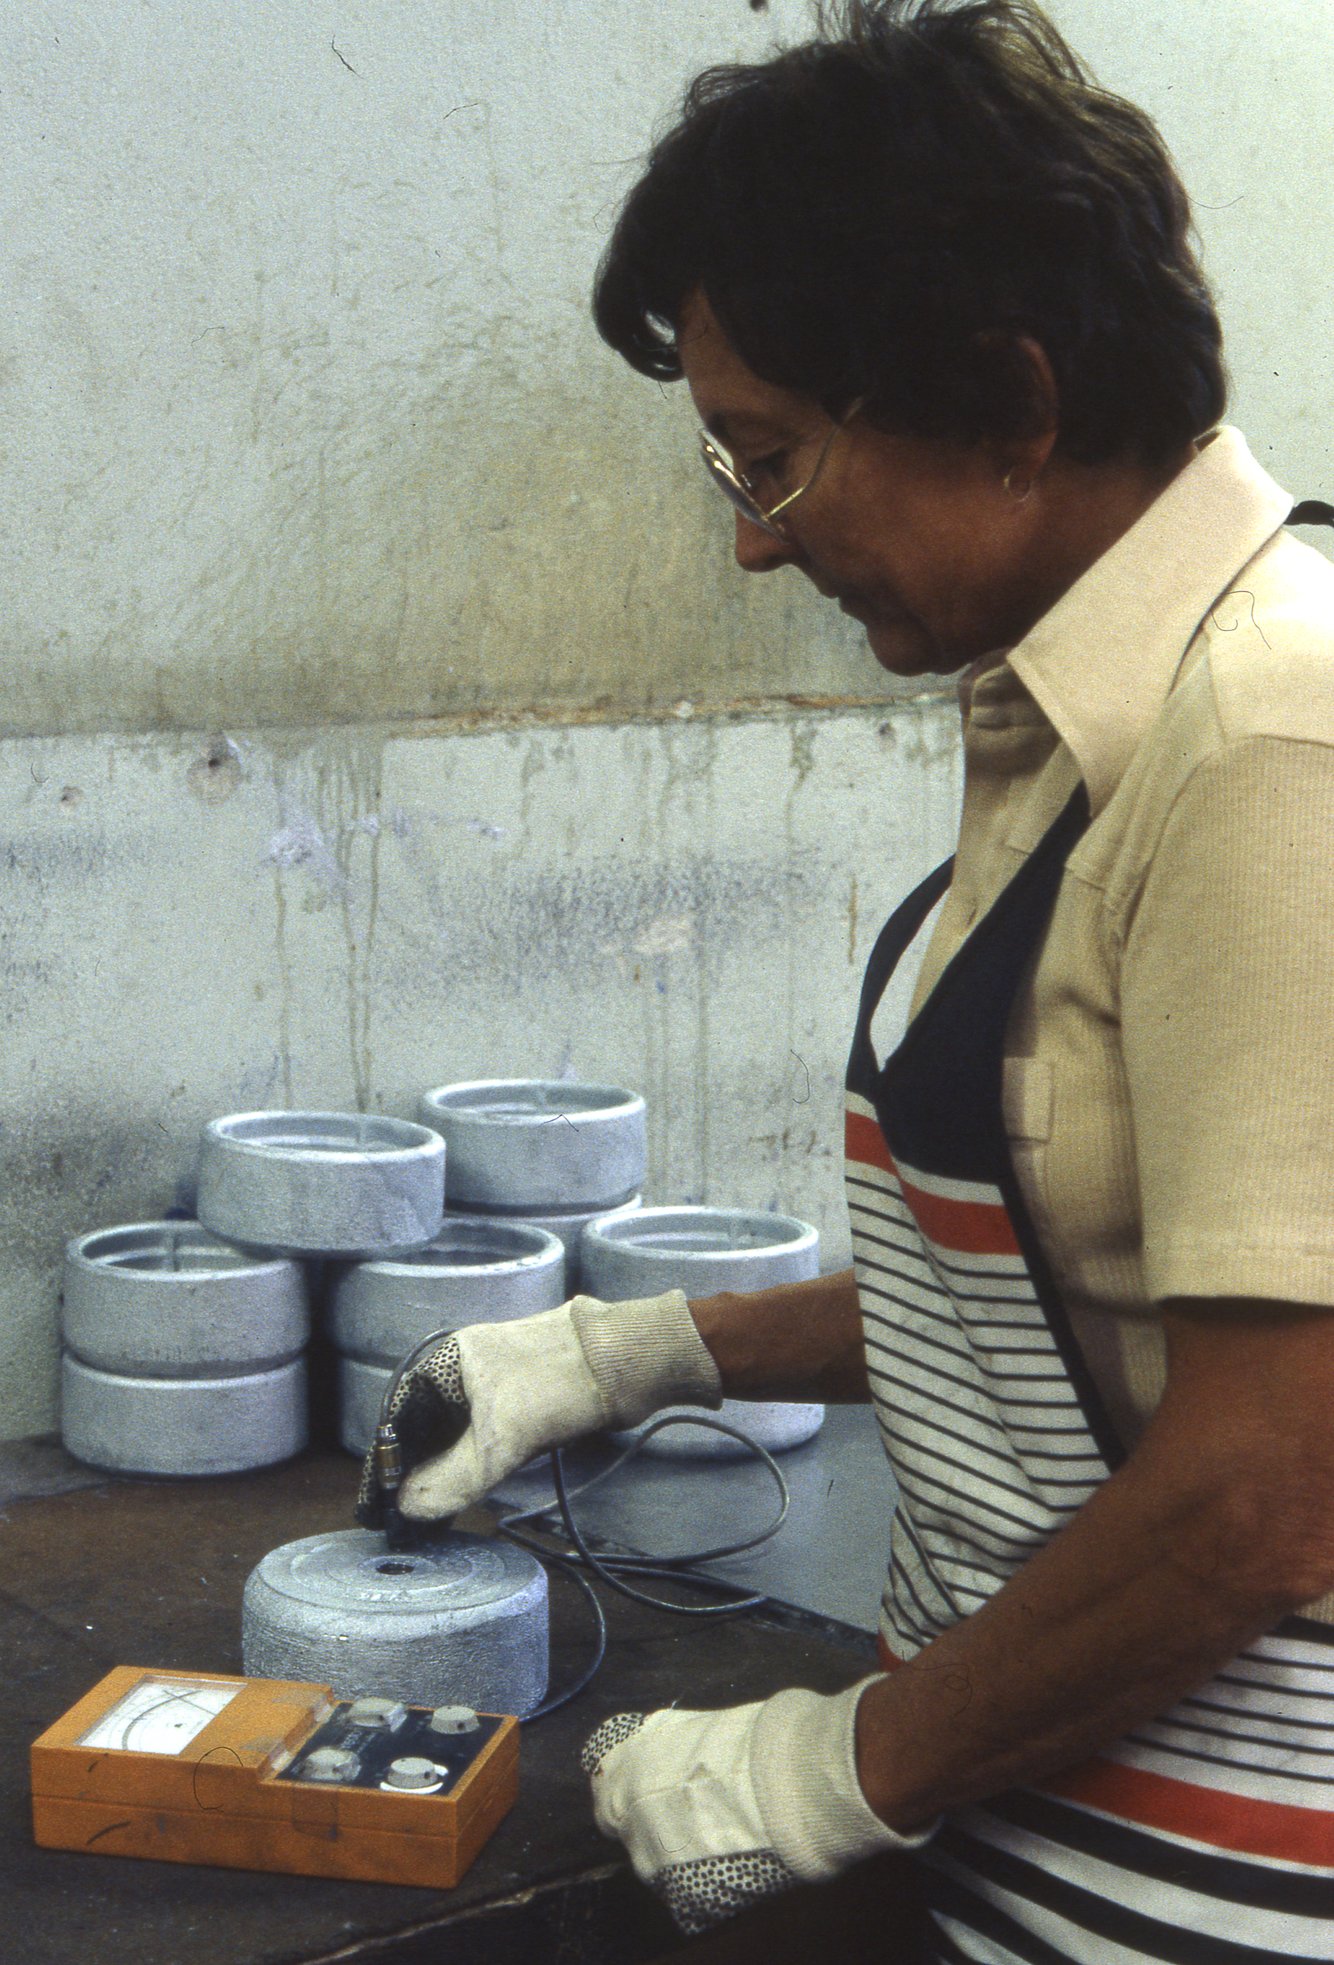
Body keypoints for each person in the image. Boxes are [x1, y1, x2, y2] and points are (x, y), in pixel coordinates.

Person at [360, 3, 1334, 1956]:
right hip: (1030, 1845)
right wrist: (642, 1353)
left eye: (776, 460)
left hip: (1203, 1899)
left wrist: (827, 1768)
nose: (746, 541)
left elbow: (1270, 1477)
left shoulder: (1267, 745)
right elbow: (1078, 1291)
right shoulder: (1086, 717)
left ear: (1005, 398)